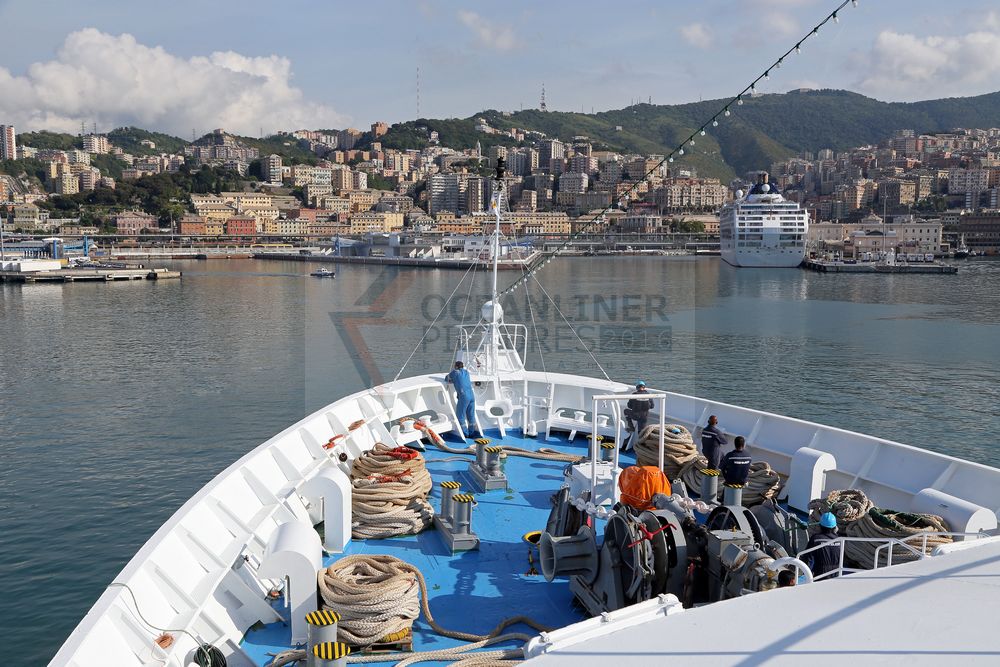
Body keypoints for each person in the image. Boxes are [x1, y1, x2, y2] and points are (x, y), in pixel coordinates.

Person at [801, 512, 841, 580]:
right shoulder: (840, 540)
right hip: (836, 572)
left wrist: (804, 573)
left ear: (820, 526)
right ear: (835, 526)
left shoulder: (816, 539)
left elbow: (807, 558)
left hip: (820, 573)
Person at [446, 361, 477, 438]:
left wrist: (452, 380)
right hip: (472, 395)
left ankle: (465, 433)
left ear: (456, 367)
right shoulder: (467, 372)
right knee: (471, 414)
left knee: (460, 415)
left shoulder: (455, 372)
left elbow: (447, 378)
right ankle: (471, 432)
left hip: (464, 396)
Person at [623, 381, 653, 450]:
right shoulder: (649, 395)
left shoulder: (634, 394)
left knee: (625, 411)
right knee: (641, 432)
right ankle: (643, 447)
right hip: (644, 416)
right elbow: (652, 406)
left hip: (635, 415)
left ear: (637, 387)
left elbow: (629, 406)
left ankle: (631, 427)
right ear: (644, 387)